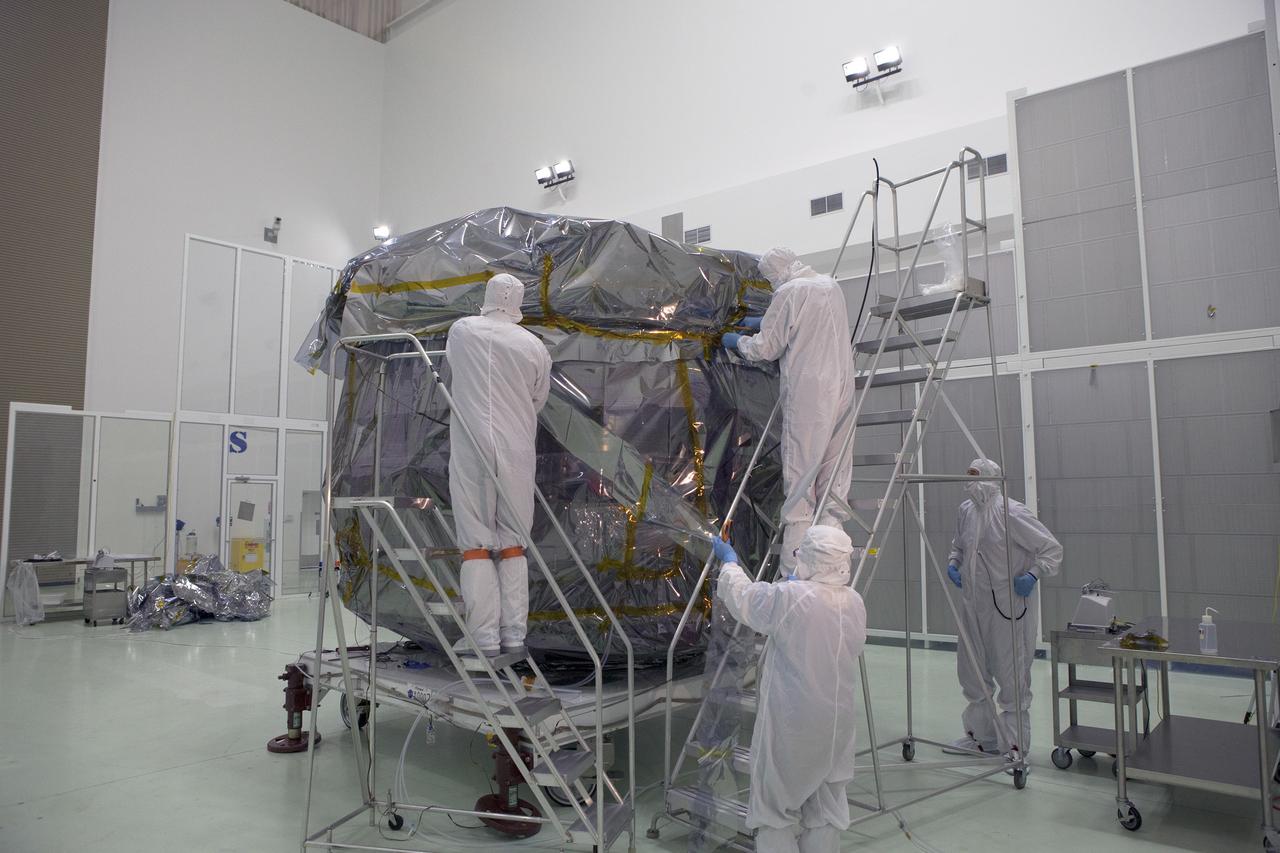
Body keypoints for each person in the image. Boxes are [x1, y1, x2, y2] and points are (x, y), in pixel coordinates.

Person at [711, 525, 867, 853]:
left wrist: (728, 563)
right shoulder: (854, 602)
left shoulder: (790, 597)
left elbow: (744, 599)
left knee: (773, 811)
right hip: (836, 726)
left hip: (793, 724)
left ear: (810, 557)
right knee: (826, 811)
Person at [722, 247, 854, 573]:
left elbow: (767, 347)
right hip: (841, 388)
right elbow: (803, 324)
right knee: (833, 482)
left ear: (775, 273)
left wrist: (736, 342)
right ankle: (832, 568)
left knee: (800, 483)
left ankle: (795, 576)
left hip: (810, 394)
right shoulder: (830, 285)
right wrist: (765, 320)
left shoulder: (788, 292)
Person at [445, 273, 552, 656]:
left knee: (476, 542)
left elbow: (452, 373)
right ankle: (514, 636)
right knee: (513, 544)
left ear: (487, 296)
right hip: (518, 448)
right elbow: (538, 398)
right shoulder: (534, 346)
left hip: (472, 444)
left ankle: (483, 637)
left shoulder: (462, 331)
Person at [943, 457, 1063, 759]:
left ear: (990, 478)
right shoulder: (966, 511)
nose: (969, 481)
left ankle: (1014, 747)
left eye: (975, 475)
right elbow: (959, 545)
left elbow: (1051, 549)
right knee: (971, 670)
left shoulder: (1011, 512)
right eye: (967, 474)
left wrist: (1034, 574)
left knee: (1011, 677)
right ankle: (981, 738)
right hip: (973, 604)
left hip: (1008, 608)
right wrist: (953, 563)